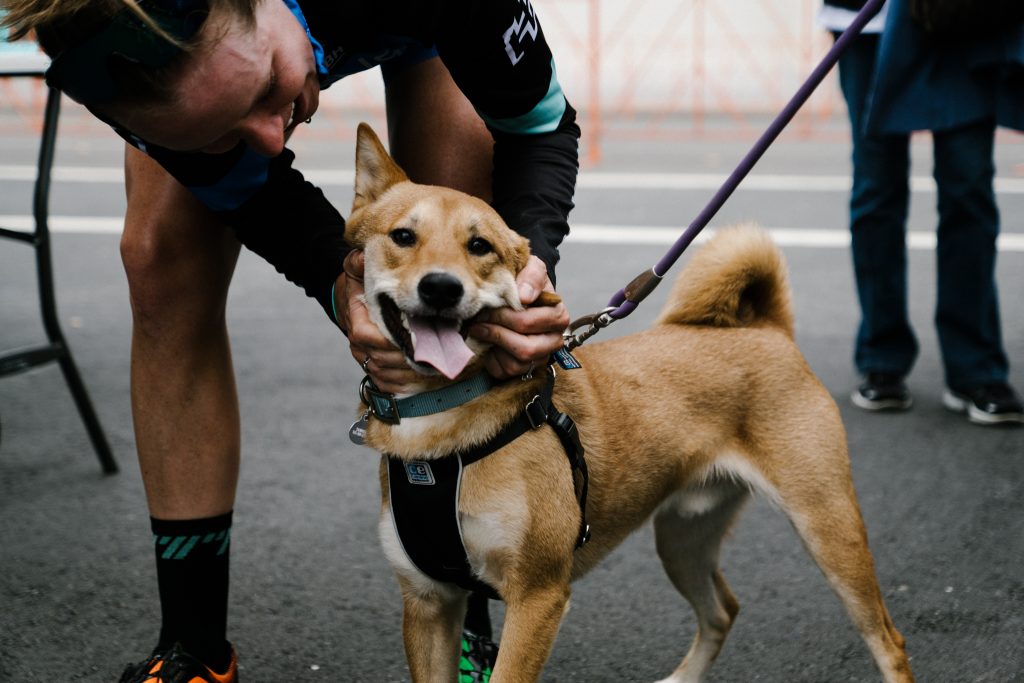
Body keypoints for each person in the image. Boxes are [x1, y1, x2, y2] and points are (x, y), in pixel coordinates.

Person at [1, 1, 578, 681]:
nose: (274, 138)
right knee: (160, 262)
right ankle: (194, 645)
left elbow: (539, 125)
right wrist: (345, 292)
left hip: (418, 24)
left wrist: (530, 265)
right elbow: (258, 195)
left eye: (268, 87)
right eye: (223, 134)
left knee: (445, 217)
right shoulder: (102, 54)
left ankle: (464, 618)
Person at [821, 0, 1024, 424]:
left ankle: (975, 367)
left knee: (969, 191)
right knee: (877, 190)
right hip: (867, 22)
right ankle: (882, 356)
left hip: (960, 19)